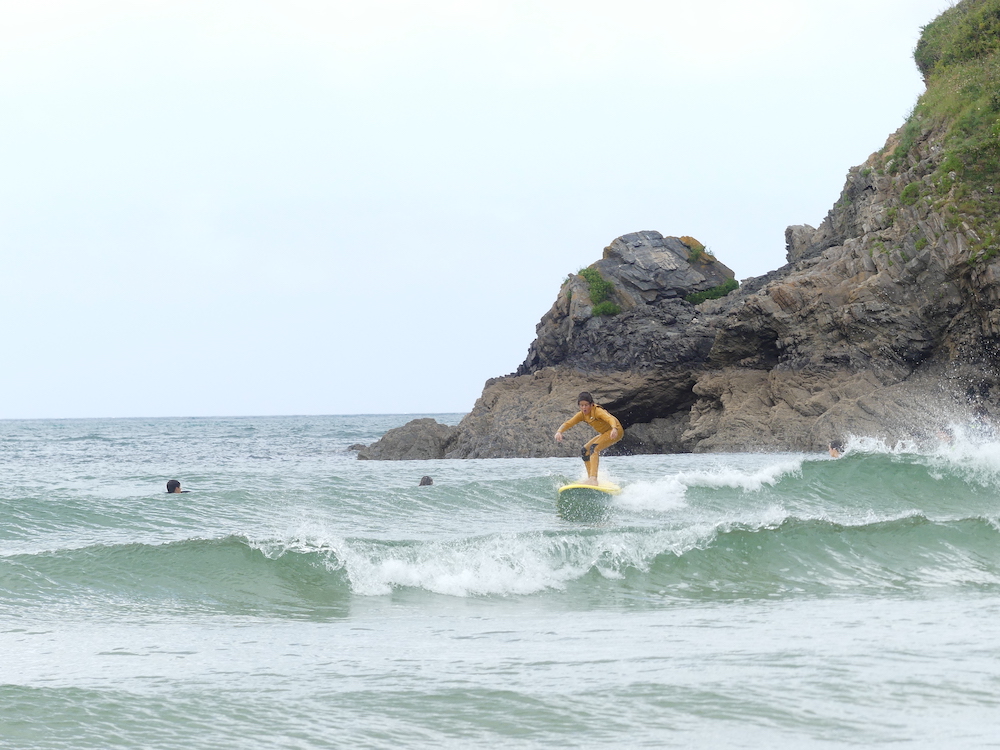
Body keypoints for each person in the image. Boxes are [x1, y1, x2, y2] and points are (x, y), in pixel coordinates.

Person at [554, 391, 623, 485]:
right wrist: (559, 431)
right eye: (581, 405)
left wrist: (614, 428)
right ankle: (590, 477)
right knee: (585, 450)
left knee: (594, 448)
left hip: (615, 431)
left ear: (592, 404)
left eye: (586, 405)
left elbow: (610, 419)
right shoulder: (582, 415)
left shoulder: (598, 411)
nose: (584, 408)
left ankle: (593, 479)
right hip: (605, 433)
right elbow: (569, 423)